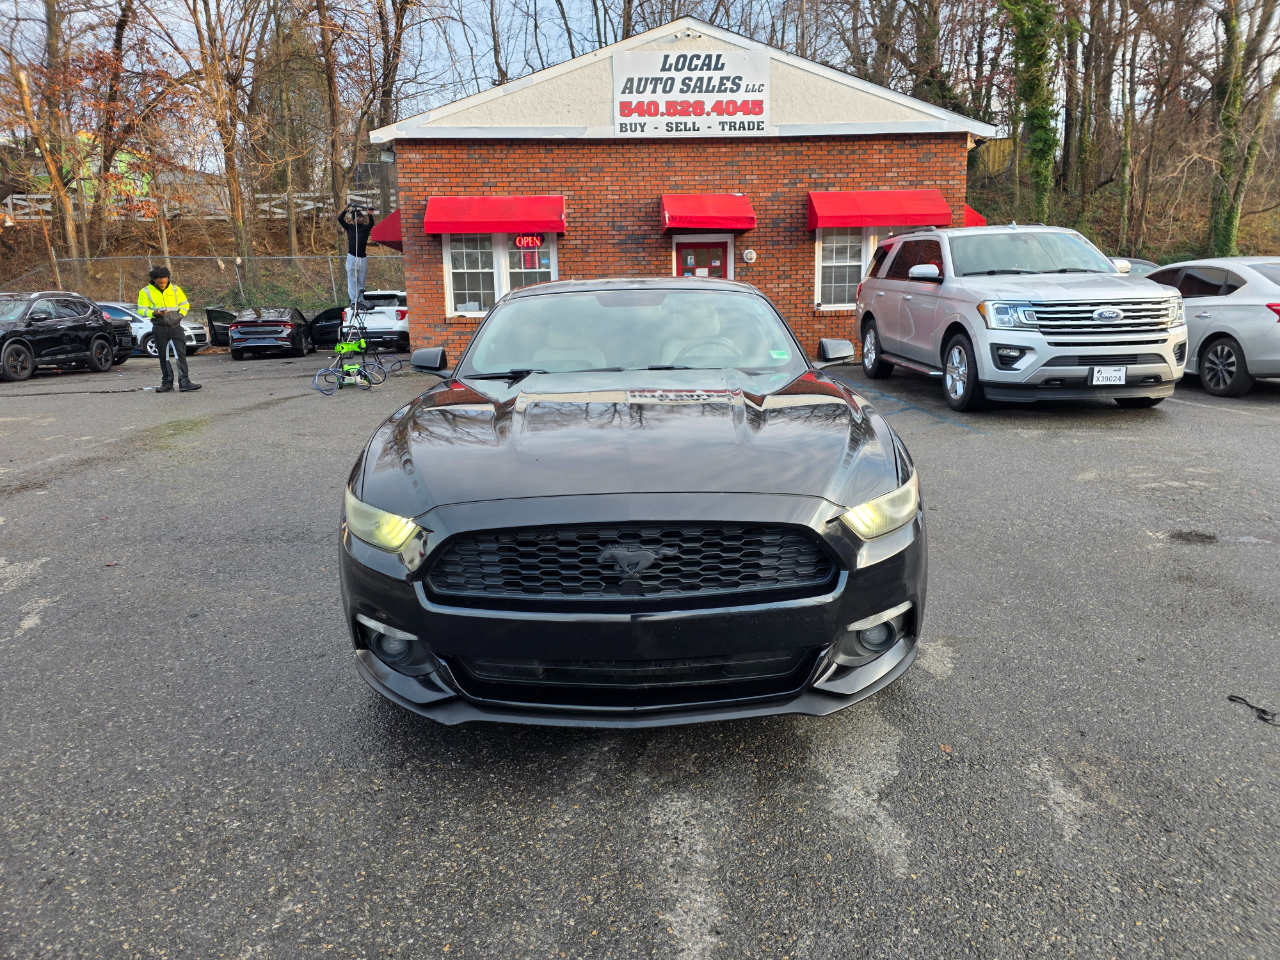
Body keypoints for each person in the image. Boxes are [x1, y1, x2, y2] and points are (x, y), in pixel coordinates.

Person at [137, 266, 201, 393]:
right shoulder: (145, 292)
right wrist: (154, 313)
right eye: (160, 282)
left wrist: (180, 315)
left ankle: (184, 382)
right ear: (154, 280)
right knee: (163, 356)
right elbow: (141, 309)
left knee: (180, 354)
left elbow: (185, 304)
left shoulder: (176, 289)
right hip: (159, 327)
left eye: (165, 282)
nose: (163, 284)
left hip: (175, 326)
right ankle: (167, 383)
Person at [338, 203, 376, 305]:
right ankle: (354, 300)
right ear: (354, 219)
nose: (361, 219)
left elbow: (371, 224)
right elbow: (340, 219)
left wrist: (370, 215)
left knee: (361, 280)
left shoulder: (365, 228)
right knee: (352, 279)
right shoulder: (349, 227)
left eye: (362, 217)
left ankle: (360, 299)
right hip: (352, 257)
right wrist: (345, 210)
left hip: (362, 258)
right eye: (359, 217)